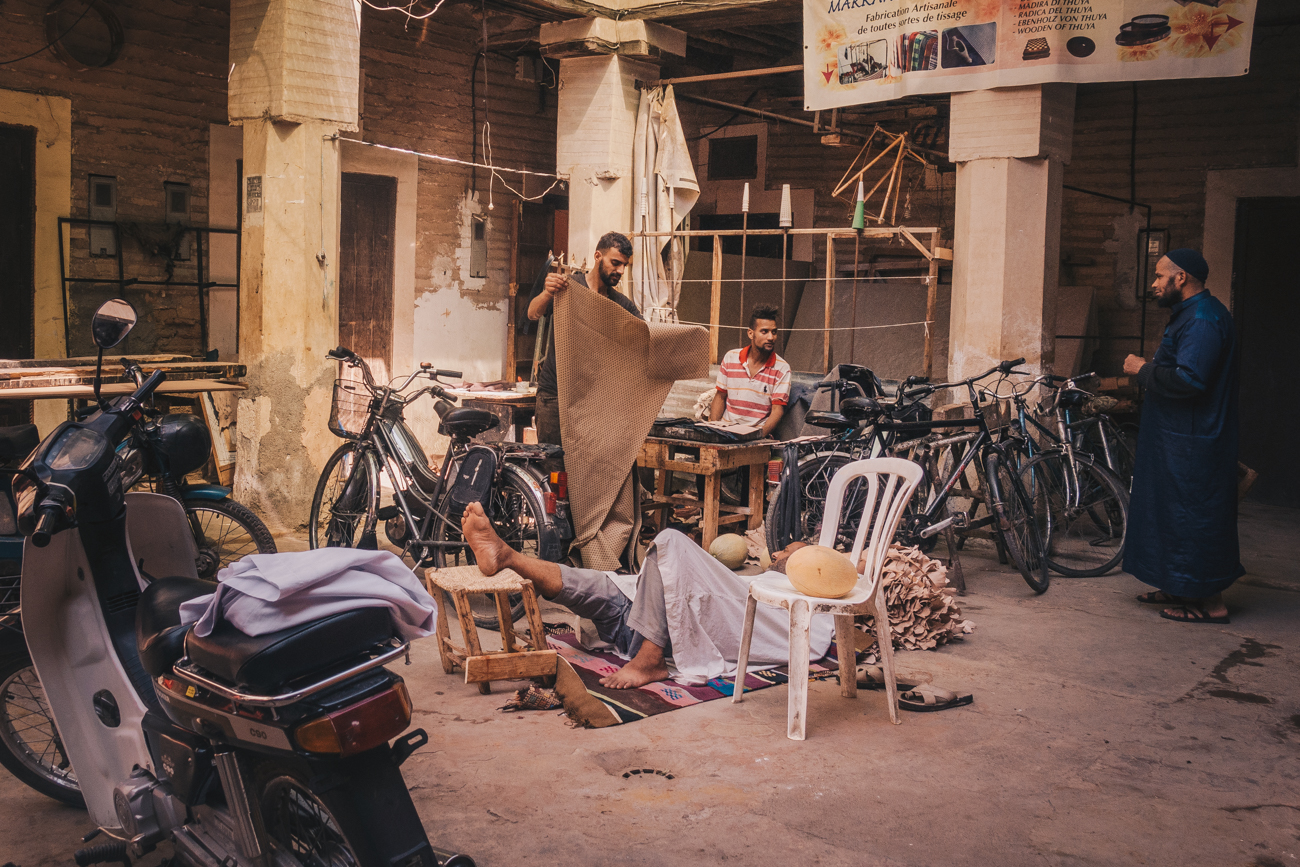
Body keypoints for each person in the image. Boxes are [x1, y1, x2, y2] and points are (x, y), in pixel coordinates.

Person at [459, 501, 833, 690]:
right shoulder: (758, 580)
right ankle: (506, 556)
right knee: (598, 584)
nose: (780, 552)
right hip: (636, 619)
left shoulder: (805, 606)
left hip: (661, 641)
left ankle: (649, 662)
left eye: (790, 552)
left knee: (670, 541)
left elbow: (748, 621)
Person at [1121, 248, 1243, 624]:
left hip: (1193, 443)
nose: (1154, 284)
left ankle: (1211, 604)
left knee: (1194, 517)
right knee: (1170, 516)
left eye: (1159, 276)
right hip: (1176, 439)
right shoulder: (1190, 314)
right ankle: (1178, 586)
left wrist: (1143, 370)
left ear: (1181, 278)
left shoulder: (1203, 319)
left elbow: (1191, 380)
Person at [527, 232, 642, 447]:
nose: (620, 271)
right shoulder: (568, 288)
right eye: (615, 263)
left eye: (624, 266)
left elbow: (646, 336)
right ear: (598, 256)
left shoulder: (621, 305)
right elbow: (532, 313)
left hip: (593, 401)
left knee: (589, 465)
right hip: (555, 397)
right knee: (554, 464)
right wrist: (547, 293)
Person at [709, 303, 792, 437]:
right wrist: (713, 429)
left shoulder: (782, 368)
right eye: (764, 332)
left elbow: (777, 411)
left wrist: (758, 436)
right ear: (750, 333)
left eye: (774, 332)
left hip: (755, 436)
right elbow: (720, 397)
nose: (771, 337)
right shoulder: (731, 358)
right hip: (725, 432)